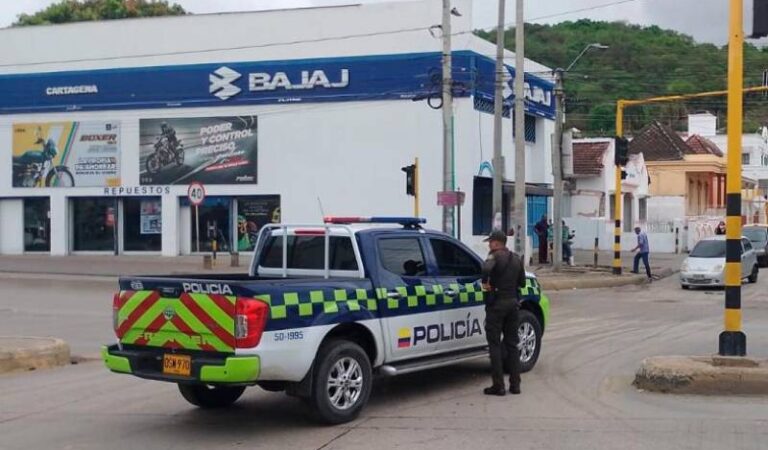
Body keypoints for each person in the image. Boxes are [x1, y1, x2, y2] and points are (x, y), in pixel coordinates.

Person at [481, 229, 527, 396]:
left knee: (494, 345)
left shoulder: (493, 257)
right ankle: (515, 385)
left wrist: (487, 290)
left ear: (496, 242)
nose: (489, 245)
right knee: (512, 345)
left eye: (490, 242)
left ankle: (498, 386)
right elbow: (522, 282)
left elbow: (485, 272)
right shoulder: (516, 259)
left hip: (497, 306)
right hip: (513, 305)